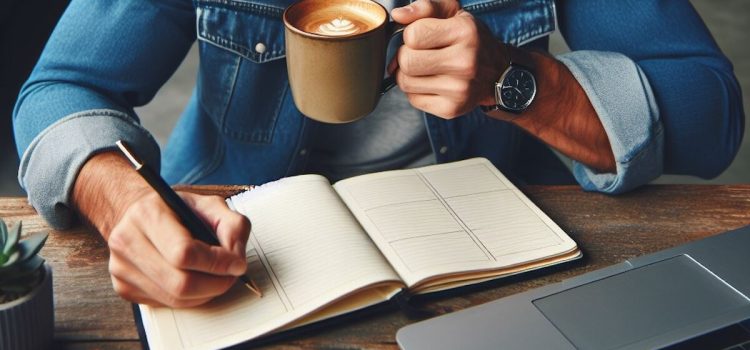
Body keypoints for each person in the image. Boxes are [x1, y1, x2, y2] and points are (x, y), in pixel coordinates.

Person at [12, 0, 744, 308]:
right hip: (241, 246)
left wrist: (519, 83)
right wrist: (127, 201)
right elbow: (62, 86)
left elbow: (712, 117)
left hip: (503, 247)